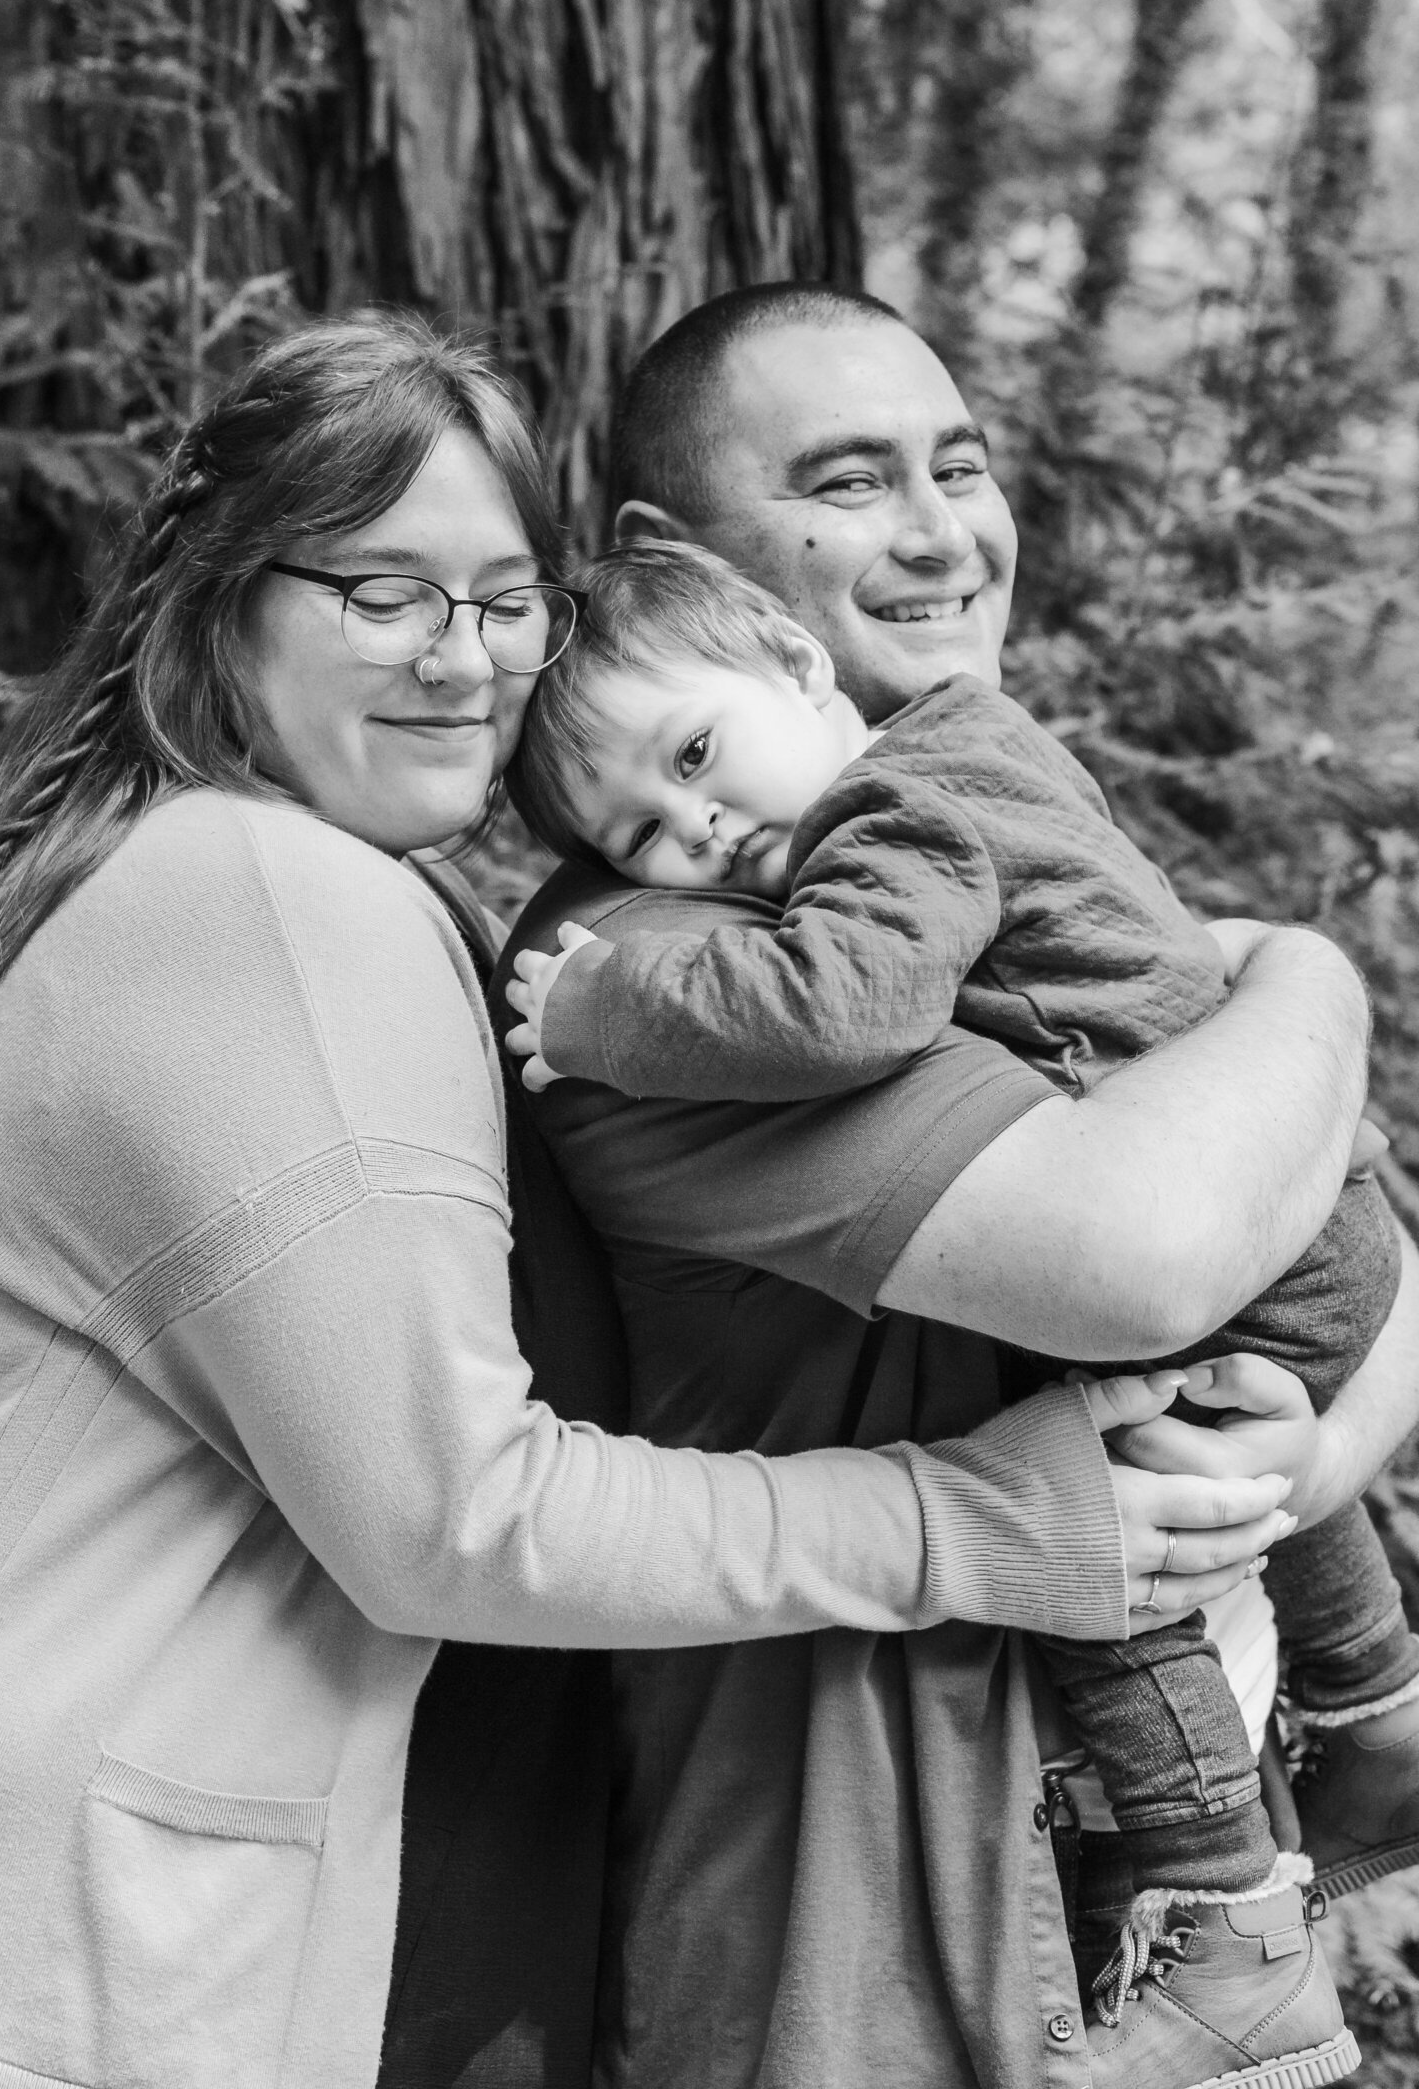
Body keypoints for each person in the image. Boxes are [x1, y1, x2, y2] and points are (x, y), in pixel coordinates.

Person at [0, 313, 1238, 2089]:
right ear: (216, 596)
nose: (463, 661)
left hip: (37, 1886)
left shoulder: (154, 860)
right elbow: (458, 1515)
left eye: (505, 601)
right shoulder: (262, 899)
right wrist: (970, 1520)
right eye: (384, 591)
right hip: (43, 1944)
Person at [489, 282, 1419, 2089]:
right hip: (897, 1913)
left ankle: (1348, 1756)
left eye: (960, 466)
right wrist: (1309, 985)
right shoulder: (653, 971)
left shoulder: (942, 813)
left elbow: (1358, 1267)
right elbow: (1153, 1255)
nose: (940, 533)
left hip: (1174, 1829)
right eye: (852, 481)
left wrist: (1307, 1462)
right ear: (695, 567)